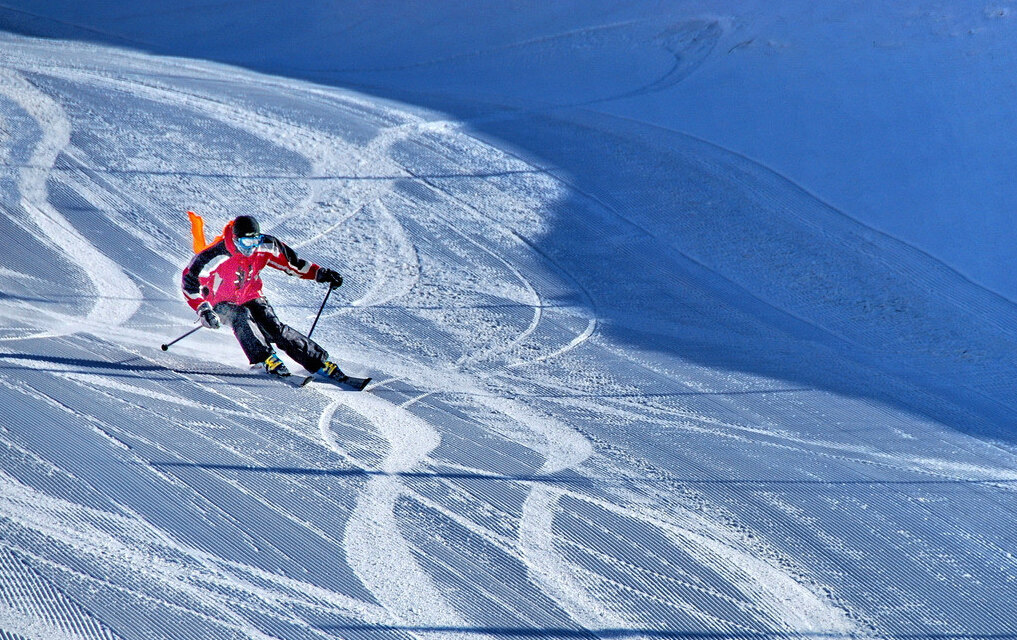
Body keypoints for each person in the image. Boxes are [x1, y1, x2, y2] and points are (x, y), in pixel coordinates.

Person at [181, 214, 350, 382]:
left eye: (255, 242)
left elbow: (293, 264)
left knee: (273, 326)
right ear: (235, 239)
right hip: (220, 301)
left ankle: (319, 362)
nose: (251, 248)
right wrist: (203, 309)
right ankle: (264, 359)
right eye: (246, 243)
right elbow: (189, 282)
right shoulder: (216, 254)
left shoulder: (266, 245)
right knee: (240, 315)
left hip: (249, 293)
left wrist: (319, 274)